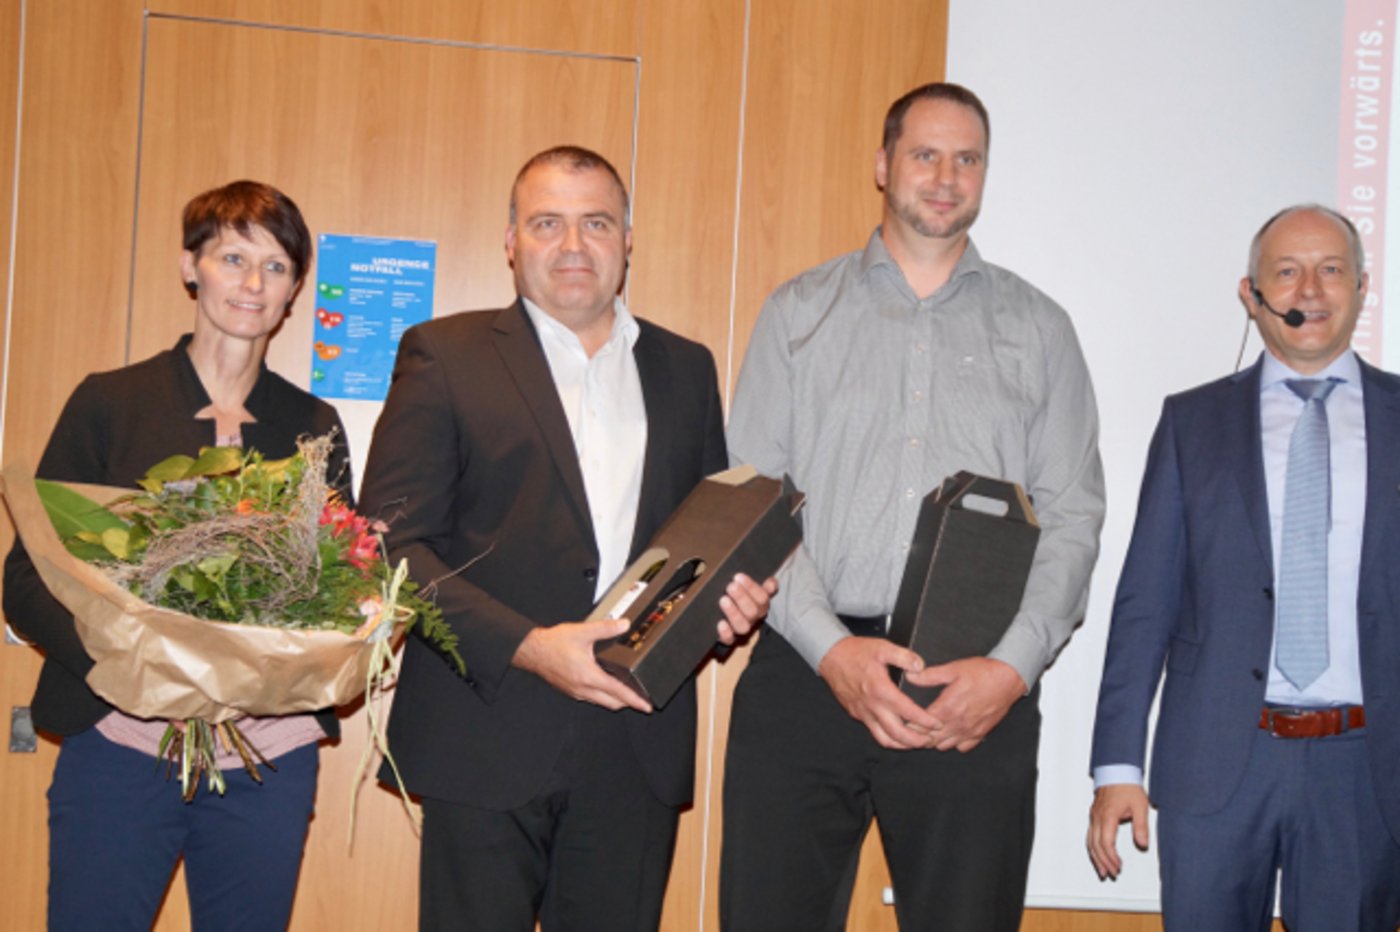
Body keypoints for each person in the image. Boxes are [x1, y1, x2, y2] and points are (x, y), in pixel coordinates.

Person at [357, 145, 774, 931]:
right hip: (483, 730)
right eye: (548, 223)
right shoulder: (444, 354)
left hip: (634, 743)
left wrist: (731, 599)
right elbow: (392, 548)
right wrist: (528, 645)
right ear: (511, 240)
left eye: (596, 223)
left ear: (627, 242)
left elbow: (704, 545)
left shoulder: (686, 370)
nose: (574, 246)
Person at [720, 82, 1105, 930]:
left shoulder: (1041, 329)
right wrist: (833, 653)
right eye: (925, 154)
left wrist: (1011, 669)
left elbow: (1073, 516)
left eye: (967, 159)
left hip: (973, 687)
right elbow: (755, 500)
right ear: (883, 165)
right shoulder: (797, 314)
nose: (945, 176)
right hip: (805, 674)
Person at [3, 180, 351, 930]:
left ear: (294, 291)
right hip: (122, 743)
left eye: (276, 266)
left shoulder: (313, 425)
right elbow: (28, 579)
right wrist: (135, 663)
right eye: (232, 258)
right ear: (191, 267)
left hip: (269, 757)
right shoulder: (110, 402)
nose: (253, 284)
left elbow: (338, 593)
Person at [1088, 204, 1400, 930]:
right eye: (1286, 272)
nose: (1310, 291)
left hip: (1365, 773)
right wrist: (1116, 768)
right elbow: (1146, 604)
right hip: (1218, 765)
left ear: (1361, 284)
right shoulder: (1192, 424)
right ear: (1250, 294)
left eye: (1330, 270)